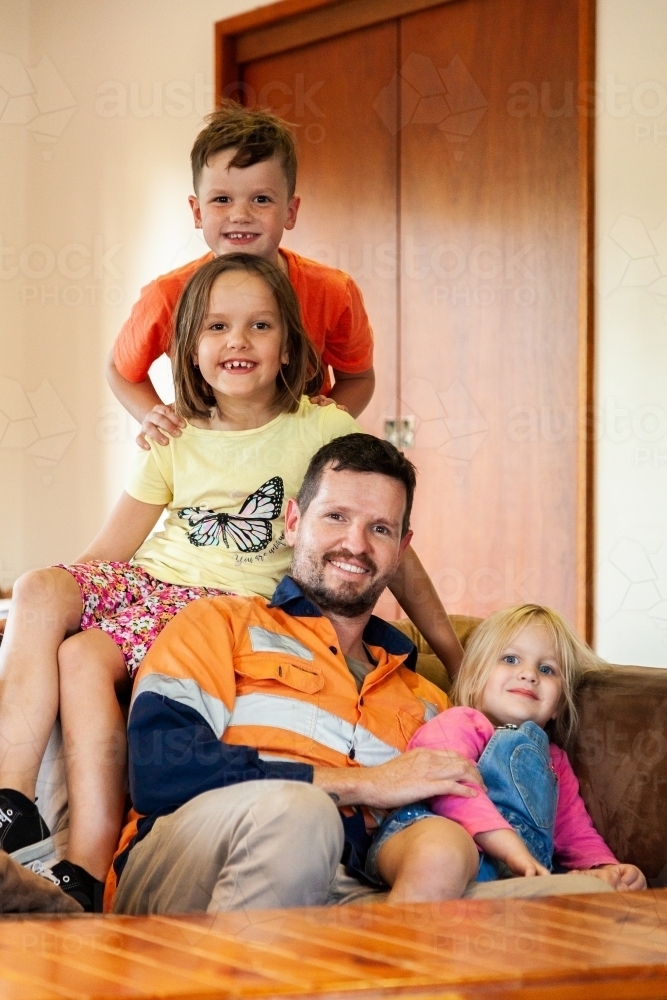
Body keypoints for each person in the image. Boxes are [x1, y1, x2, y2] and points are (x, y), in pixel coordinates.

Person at [109, 441, 617, 915]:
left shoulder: (427, 701)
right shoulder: (220, 624)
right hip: (193, 861)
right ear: (293, 521)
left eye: (380, 528)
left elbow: (443, 824)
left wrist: (596, 870)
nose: (355, 543)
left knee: (592, 907)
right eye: (336, 517)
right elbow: (162, 772)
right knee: (300, 814)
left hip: (353, 894)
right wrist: (368, 784)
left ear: (400, 549)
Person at [0, 253, 358, 911]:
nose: (237, 342)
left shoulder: (321, 429)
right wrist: (33, 618)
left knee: (82, 658)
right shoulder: (174, 433)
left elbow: (368, 529)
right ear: (190, 349)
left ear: (289, 347)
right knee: (38, 588)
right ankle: (11, 803)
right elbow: (105, 555)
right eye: (217, 327)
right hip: (151, 586)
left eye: (258, 327)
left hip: (226, 613)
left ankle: (86, 862)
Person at [107, 100, 376, 449]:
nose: (240, 215)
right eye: (221, 200)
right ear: (197, 211)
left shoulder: (333, 291)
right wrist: (153, 415)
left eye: (261, 199)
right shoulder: (168, 294)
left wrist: (331, 417)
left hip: (302, 464)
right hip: (210, 462)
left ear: (290, 212)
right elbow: (120, 369)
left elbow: (359, 377)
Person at [366, 605, 647, 901]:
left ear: (559, 706)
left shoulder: (554, 762)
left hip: (509, 873)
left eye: (546, 669)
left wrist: (608, 868)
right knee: (439, 854)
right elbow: (454, 792)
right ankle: (398, 942)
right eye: (510, 659)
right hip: (428, 835)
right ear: (474, 681)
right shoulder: (459, 723)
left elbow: (574, 830)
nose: (528, 674)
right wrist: (513, 850)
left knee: (596, 892)